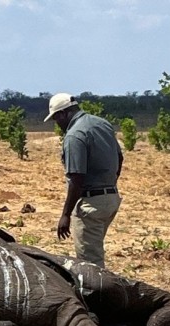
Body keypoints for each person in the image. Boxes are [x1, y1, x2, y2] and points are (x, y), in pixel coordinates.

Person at [44, 93, 123, 268]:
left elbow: (76, 179)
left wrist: (65, 215)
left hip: (90, 205)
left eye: (57, 118)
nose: (57, 124)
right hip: (111, 198)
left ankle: (100, 295)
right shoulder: (102, 124)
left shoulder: (74, 136)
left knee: (90, 265)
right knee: (95, 251)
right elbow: (119, 157)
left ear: (63, 113)